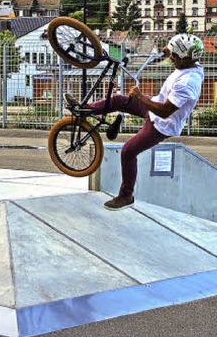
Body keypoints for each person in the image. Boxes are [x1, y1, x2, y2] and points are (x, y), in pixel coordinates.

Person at [65, 33, 205, 211]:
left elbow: (164, 111)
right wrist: (168, 50)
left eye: (174, 56)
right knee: (118, 100)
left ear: (185, 59)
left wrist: (139, 96)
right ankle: (85, 110)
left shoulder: (187, 83)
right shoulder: (192, 62)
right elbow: (175, 52)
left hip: (161, 125)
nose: (172, 58)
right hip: (154, 107)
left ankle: (126, 196)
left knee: (128, 152)